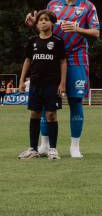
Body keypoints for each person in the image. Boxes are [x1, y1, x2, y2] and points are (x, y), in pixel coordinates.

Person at [25, 0, 100, 158]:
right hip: (51, 58)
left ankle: (74, 146)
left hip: (76, 57)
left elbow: (96, 32)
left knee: (75, 100)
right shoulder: (52, 4)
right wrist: (34, 24)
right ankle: (45, 145)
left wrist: (78, 29)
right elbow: (44, 28)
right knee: (44, 102)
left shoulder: (88, 6)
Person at [17, 10, 66, 160]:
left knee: (51, 114)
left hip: (52, 84)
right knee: (34, 113)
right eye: (40, 20)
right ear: (37, 24)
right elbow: (27, 61)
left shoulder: (58, 41)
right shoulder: (32, 41)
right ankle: (33, 149)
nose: (43, 22)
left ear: (52, 23)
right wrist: (21, 80)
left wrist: (62, 83)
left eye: (46, 19)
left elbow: (63, 62)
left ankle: (53, 149)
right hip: (35, 84)